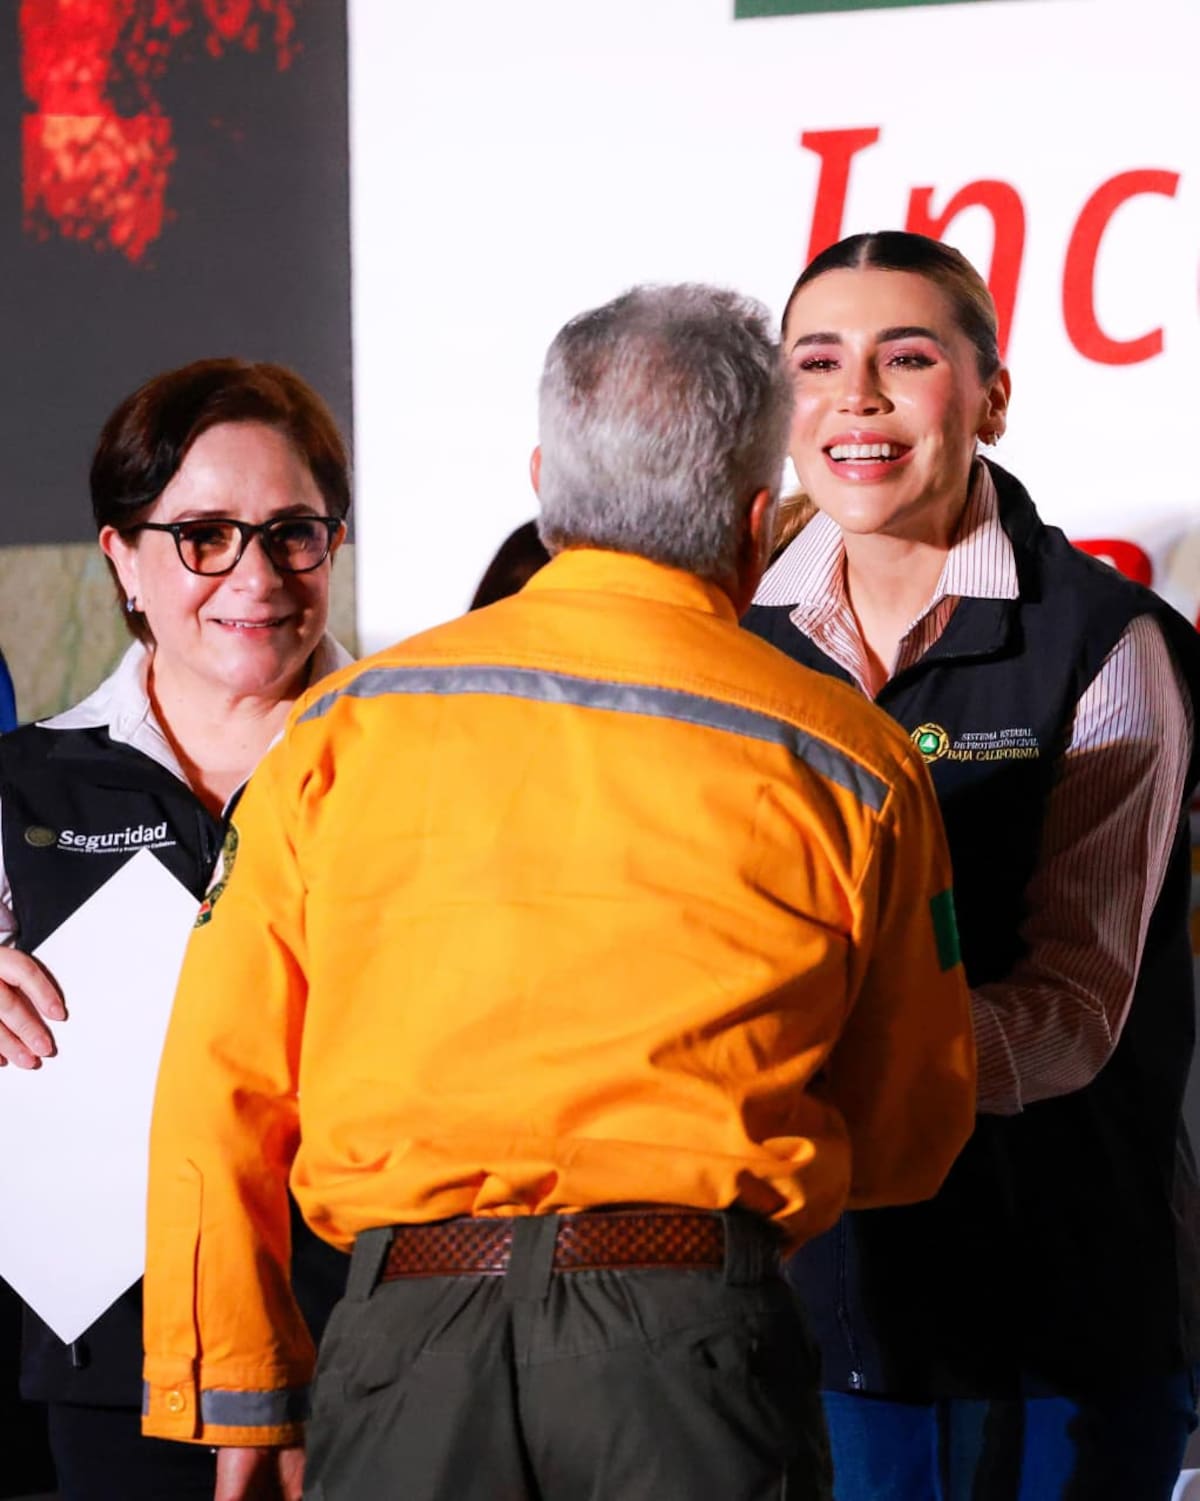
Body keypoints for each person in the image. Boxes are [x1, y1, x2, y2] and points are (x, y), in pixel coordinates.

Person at [141, 283, 976, 1501]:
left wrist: (240, 1383)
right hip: (695, 1349)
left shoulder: (335, 732)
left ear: (544, 484)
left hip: (404, 1348)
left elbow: (220, 1083)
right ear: (760, 522)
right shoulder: (854, 759)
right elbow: (911, 1129)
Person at [744, 230, 1200, 1501]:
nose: (856, 398)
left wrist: (807, 1065)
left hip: (1052, 1317)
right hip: (802, 1305)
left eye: (906, 358)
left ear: (993, 396)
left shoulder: (1106, 642)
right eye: (817, 362)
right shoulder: (734, 643)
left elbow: (1075, 1009)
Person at [0, 358, 354, 1501]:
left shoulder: (419, 763)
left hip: (372, 1349)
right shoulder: (24, 785)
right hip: (116, 1367)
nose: (256, 575)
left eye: (292, 533)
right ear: (122, 558)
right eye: (204, 536)